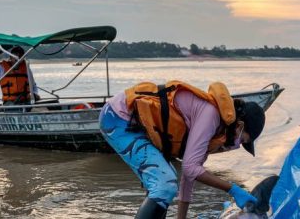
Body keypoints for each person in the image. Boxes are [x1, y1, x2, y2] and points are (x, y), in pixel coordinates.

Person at [99, 80, 266, 218]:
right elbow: (190, 167)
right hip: (119, 118)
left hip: (132, 123)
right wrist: (232, 189)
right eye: (242, 140)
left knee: (164, 181)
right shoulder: (211, 115)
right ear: (239, 126)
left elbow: (189, 175)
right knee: (165, 183)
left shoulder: (216, 132)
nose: (236, 145)